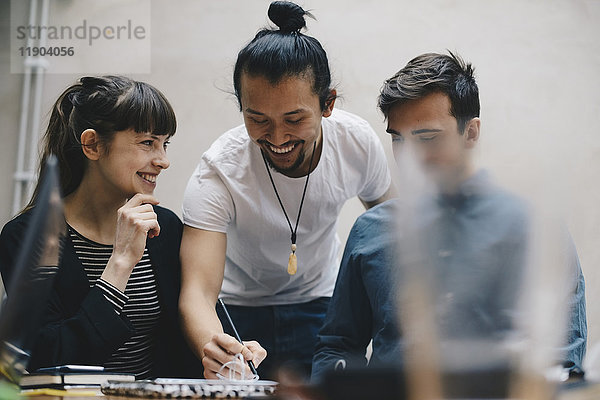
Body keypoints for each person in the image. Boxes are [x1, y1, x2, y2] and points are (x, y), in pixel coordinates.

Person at [311, 52, 587, 381]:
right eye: (398, 139)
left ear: (471, 133)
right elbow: (338, 345)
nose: (409, 157)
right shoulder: (370, 231)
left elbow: (562, 360)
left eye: (428, 138)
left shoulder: (537, 229)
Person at [180, 1, 393, 380]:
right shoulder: (218, 171)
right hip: (236, 312)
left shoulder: (356, 143)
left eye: (294, 119)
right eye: (257, 119)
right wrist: (216, 347)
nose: (277, 138)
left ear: (327, 103)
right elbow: (197, 291)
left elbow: (394, 230)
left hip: (322, 307)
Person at [0, 76, 202, 379]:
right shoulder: (26, 237)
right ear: (92, 145)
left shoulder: (166, 228)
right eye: (148, 142)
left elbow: (178, 345)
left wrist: (219, 350)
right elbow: (45, 360)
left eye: (165, 144)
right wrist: (120, 264)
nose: (163, 161)